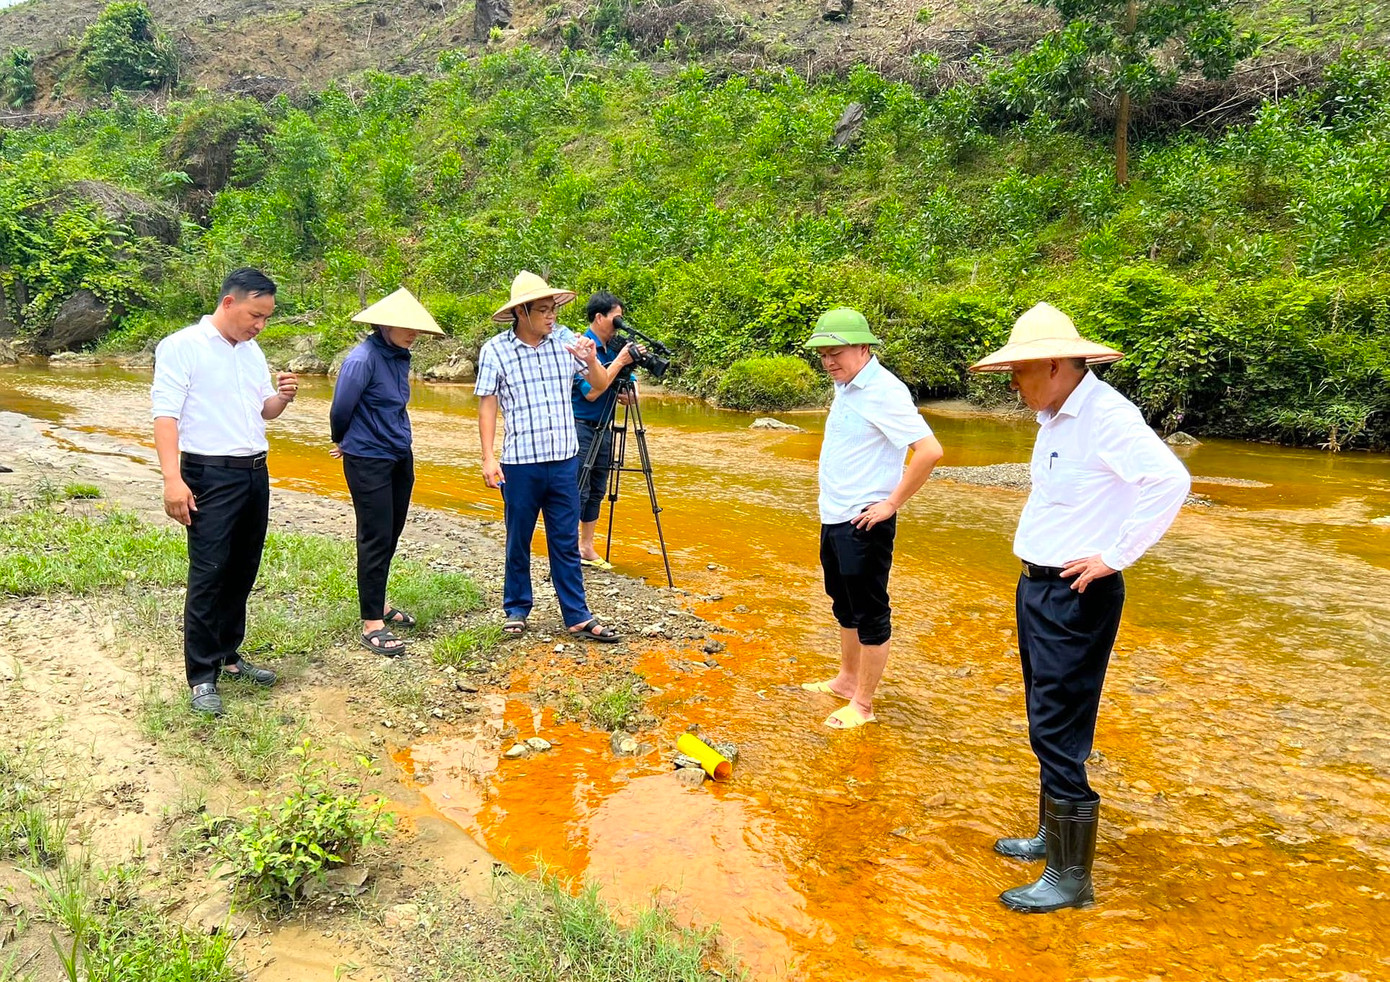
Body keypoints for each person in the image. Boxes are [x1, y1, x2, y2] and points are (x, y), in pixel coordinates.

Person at [969, 302, 1190, 914]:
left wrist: (1116, 555)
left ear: (1056, 365)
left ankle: (1072, 877)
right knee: (1045, 714)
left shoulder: (1107, 416)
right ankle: (1051, 838)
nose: (1012, 383)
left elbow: (1169, 480)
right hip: (1039, 586)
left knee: (1059, 726)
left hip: (1076, 594)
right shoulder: (1054, 415)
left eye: (1019, 371)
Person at [150, 268, 298, 717]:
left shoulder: (252, 352)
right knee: (210, 572)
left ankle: (229, 656)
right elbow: (165, 417)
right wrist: (172, 479)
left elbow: (263, 412)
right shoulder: (181, 347)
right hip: (208, 473)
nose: (260, 325)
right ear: (229, 303)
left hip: (254, 470)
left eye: (267, 318)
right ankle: (200, 676)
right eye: (256, 315)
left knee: (242, 567)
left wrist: (283, 398)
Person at [799, 307, 944, 730]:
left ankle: (863, 705)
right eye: (823, 353)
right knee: (843, 604)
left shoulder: (884, 390)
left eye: (837, 352)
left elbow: (929, 451)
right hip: (836, 514)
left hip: (866, 521)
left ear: (864, 347)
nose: (828, 361)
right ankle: (846, 681)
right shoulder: (848, 385)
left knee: (870, 611)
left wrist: (891, 503)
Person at [475, 270, 622, 643]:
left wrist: (590, 359)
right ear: (521, 312)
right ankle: (517, 609)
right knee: (518, 539)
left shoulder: (566, 343)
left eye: (553, 308)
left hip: (564, 460)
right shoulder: (496, 350)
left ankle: (576, 614)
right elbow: (488, 404)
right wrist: (488, 457)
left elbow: (600, 385)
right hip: (520, 463)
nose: (551, 316)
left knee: (564, 541)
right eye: (543, 310)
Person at [329, 288, 444, 657]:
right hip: (367, 458)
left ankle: (377, 603)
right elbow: (340, 408)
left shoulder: (399, 356)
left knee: (391, 529)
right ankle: (371, 623)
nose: (413, 333)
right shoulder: (362, 360)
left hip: (398, 454)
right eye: (405, 326)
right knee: (374, 535)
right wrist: (342, 440)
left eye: (416, 328)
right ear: (383, 325)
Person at [571, 291, 640, 569]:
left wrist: (629, 392)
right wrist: (620, 363)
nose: (618, 325)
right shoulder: (581, 346)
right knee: (579, 489)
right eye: (616, 319)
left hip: (605, 426)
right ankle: (567, 547)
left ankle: (586, 547)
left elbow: (633, 389)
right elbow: (591, 392)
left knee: (598, 488)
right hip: (581, 427)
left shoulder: (614, 348)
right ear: (599, 318)